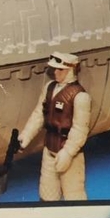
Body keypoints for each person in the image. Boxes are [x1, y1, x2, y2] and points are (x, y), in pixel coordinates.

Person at [18, 51, 91, 202]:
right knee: (47, 195)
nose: (55, 72)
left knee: (74, 195)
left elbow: (80, 129)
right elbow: (39, 114)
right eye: (54, 69)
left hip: (69, 153)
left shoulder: (80, 97)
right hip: (49, 149)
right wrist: (26, 136)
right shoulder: (49, 88)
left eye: (60, 69)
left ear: (71, 69)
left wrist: (68, 153)